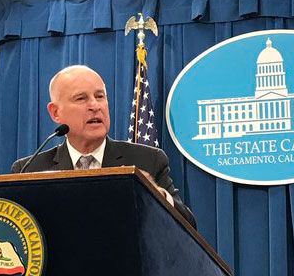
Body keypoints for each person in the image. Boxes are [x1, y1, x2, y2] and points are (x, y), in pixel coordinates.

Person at [12, 65, 197, 228]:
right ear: (55, 113)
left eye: (100, 96)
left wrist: (157, 195)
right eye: (81, 99)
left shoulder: (147, 160)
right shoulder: (30, 170)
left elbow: (188, 226)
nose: (95, 105)